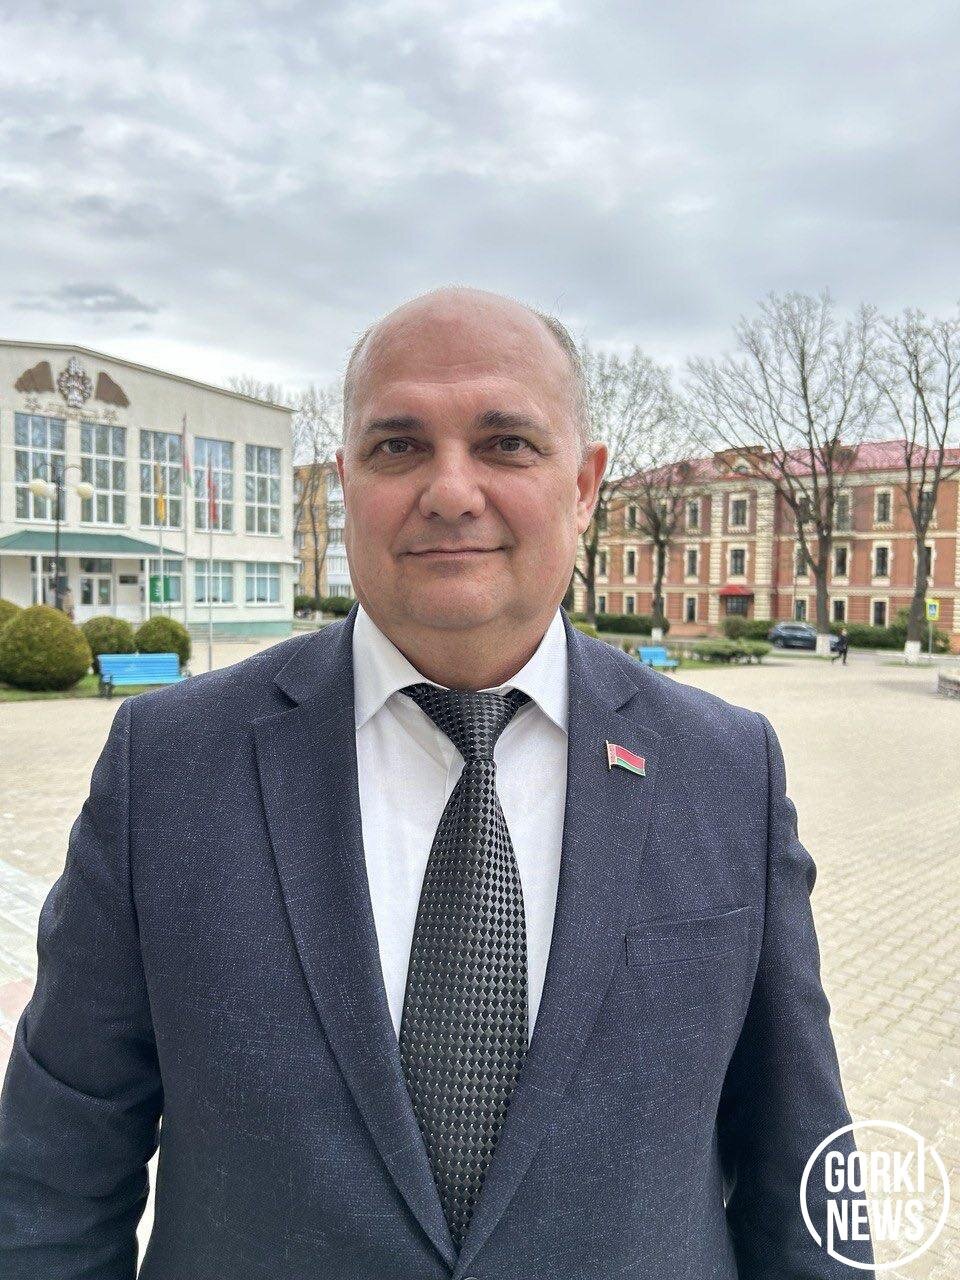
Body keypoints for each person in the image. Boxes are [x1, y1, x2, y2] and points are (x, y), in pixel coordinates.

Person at [0, 286, 873, 1279]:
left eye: (507, 443)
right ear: (346, 482)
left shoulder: (726, 769)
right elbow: (52, 1179)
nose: (451, 490)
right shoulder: (168, 765)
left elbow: (806, 1179)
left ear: (584, 484)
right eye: (398, 445)